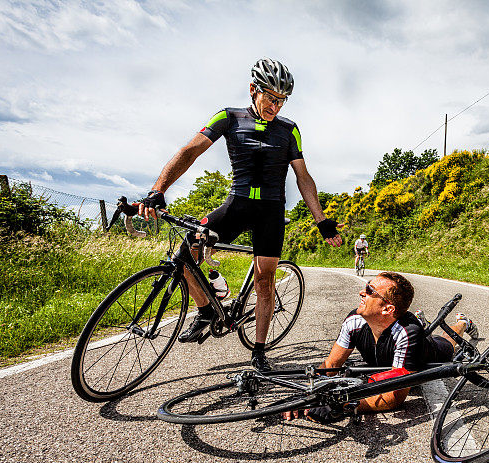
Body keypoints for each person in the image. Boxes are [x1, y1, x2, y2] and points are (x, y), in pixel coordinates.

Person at [137, 58, 342, 372]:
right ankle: (205, 310)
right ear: (253, 89)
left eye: (282, 99)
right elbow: (189, 151)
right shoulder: (229, 118)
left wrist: (321, 220)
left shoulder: (289, 130)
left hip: (270, 213)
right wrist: (158, 188)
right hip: (236, 207)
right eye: (270, 97)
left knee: (265, 280)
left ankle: (259, 351)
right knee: (187, 250)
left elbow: (303, 176)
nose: (276, 105)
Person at [284, 271, 479, 423]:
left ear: (387, 309)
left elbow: (395, 397)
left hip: (431, 352)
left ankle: (463, 323)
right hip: (394, 350)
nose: (362, 292)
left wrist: (344, 404)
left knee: (447, 342)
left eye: (370, 291)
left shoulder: (407, 332)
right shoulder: (354, 320)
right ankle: (426, 324)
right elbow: (331, 365)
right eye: (366, 287)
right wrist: (306, 395)